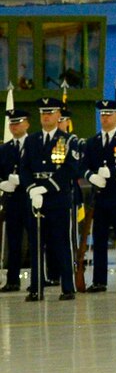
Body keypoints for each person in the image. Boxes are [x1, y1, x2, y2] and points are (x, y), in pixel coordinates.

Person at [20, 98, 80, 302]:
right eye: (43, 113)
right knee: (36, 243)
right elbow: (24, 168)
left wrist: (45, 188)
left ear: (58, 115)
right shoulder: (31, 140)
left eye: (50, 112)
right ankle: (36, 287)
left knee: (62, 243)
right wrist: (31, 189)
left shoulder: (67, 140)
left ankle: (68, 287)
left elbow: (70, 168)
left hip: (57, 197)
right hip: (35, 198)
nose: (46, 116)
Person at [77, 99, 116, 292]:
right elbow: (82, 166)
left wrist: (113, 172)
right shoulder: (92, 143)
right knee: (99, 240)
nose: (105, 118)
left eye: (108, 114)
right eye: (102, 114)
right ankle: (99, 280)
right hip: (99, 199)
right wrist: (91, 176)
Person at [0, 107, 29, 291]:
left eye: (17, 122)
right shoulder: (4, 149)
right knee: (13, 240)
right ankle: (12, 280)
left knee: (36, 239)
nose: (14, 126)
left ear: (27, 123)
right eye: (11, 123)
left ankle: (39, 278)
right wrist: (2, 183)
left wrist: (24, 181)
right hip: (12, 200)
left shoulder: (34, 145)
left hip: (30, 198)